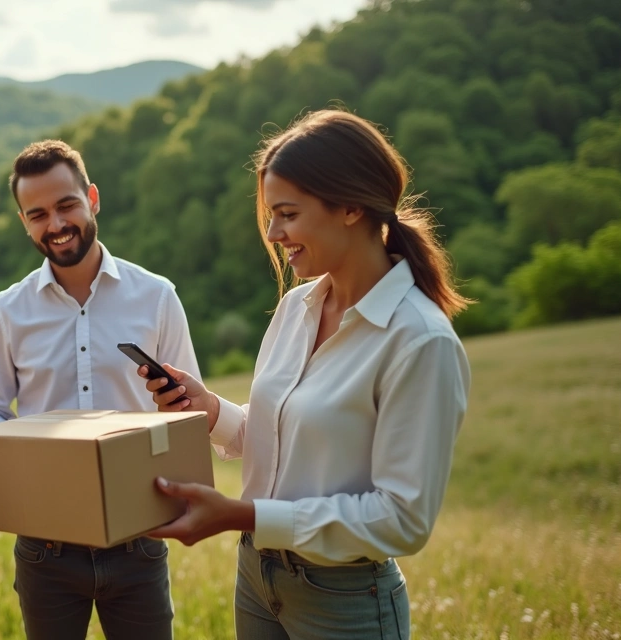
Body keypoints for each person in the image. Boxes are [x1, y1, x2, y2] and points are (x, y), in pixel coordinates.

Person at [138, 109, 472, 638]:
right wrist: (210, 411)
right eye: (271, 215)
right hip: (258, 576)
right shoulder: (297, 307)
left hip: (343, 601)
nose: (273, 233)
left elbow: (403, 519)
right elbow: (281, 438)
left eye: (287, 214)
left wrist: (244, 515)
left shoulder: (420, 342)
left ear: (350, 206)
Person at [0, 140, 201, 640]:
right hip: (44, 549)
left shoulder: (157, 296)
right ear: (24, 221)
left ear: (92, 198)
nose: (55, 224)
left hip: (139, 541)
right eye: (38, 214)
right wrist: (15, 449)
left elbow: (191, 413)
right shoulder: (7, 311)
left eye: (66, 205)